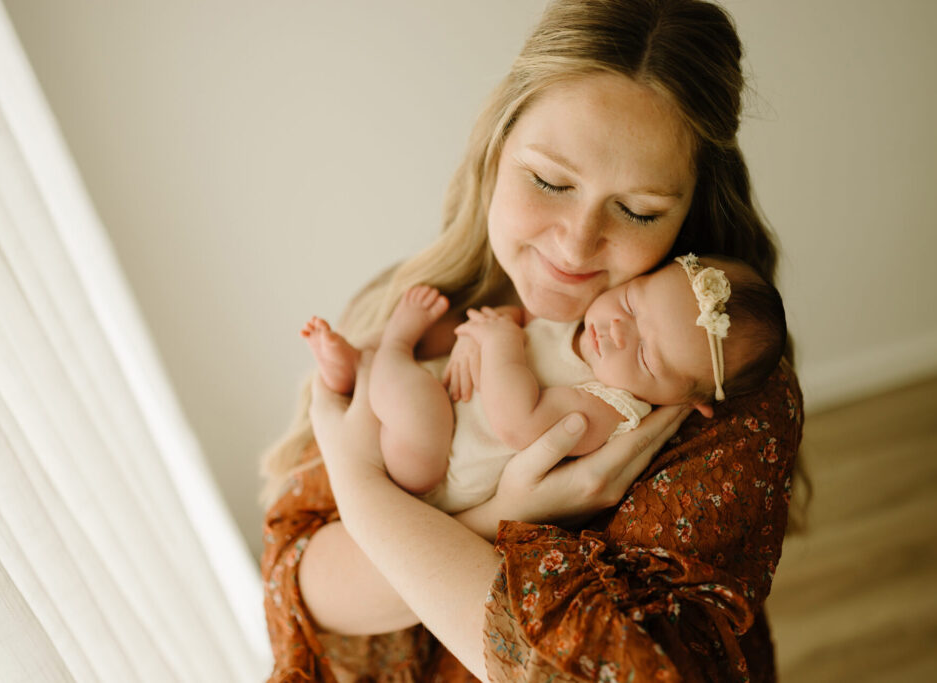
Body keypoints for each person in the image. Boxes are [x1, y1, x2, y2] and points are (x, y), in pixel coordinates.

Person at [260, 0, 805, 680]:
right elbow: (302, 588)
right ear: (496, 151)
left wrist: (359, 478)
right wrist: (499, 513)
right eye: (550, 180)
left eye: (638, 211)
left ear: (690, 207)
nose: (575, 245)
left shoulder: (722, 385)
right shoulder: (417, 302)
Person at [300, 254, 785, 515]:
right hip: (442, 388)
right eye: (632, 304)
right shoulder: (583, 320)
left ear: (684, 401)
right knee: (433, 356)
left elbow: (519, 423)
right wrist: (483, 331)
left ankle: (388, 348)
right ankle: (350, 372)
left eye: (644, 355)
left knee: (419, 408)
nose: (617, 330)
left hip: (433, 467)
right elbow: (520, 320)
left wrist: (498, 342)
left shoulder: (613, 407)